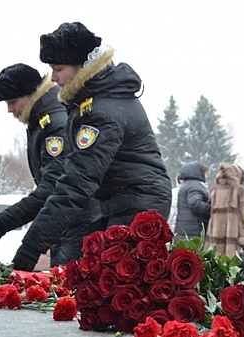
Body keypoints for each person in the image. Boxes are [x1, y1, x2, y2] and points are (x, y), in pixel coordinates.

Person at [11, 22, 172, 271]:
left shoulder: (101, 112)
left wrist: (30, 249)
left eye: (58, 69)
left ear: (82, 66)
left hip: (138, 204)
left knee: (118, 286)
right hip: (119, 200)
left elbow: (76, 184)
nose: (53, 79)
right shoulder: (91, 101)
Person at [0, 63, 97, 269]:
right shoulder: (43, 119)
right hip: (65, 220)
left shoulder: (54, 123)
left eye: (13, 101)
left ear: (31, 94)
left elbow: (52, 188)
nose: (10, 109)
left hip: (76, 220)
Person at [204, 163, 244, 261]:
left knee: (216, 265)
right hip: (235, 236)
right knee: (233, 268)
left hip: (214, 234)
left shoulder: (213, 190)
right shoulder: (240, 190)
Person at [174, 162, 211, 242]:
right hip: (194, 230)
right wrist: (211, 209)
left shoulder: (186, 185)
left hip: (184, 229)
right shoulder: (195, 185)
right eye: (206, 173)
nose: (207, 176)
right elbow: (195, 203)